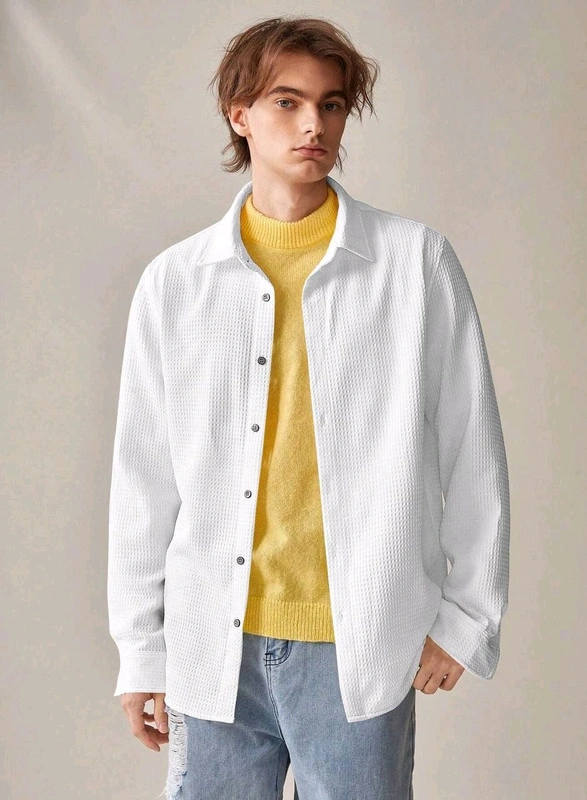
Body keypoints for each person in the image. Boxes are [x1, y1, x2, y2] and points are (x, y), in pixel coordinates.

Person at [107, 15, 510, 800]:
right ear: (240, 114)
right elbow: (143, 482)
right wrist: (141, 650)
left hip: (358, 645)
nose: (313, 125)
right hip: (211, 646)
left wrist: (468, 619)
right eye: (286, 102)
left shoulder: (414, 265)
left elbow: (473, 451)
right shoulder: (176, 283)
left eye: (330, 105)